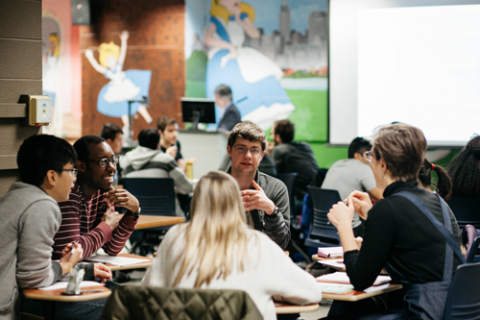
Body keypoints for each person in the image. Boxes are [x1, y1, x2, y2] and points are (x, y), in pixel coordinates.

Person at [326, 123, 463, 319]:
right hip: (448, 310)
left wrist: (344, 226)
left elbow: (359, 279)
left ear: (383, 165)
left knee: (343, 311)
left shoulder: (389, 208)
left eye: (371, 156)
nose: (369, 162)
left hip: (422, 313)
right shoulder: (436, 201)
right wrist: (372, 214)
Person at [142, 171, 322, 320]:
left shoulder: (175, 237)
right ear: (237, 203)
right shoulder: (257, 243)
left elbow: (146, 292)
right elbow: (311, 292)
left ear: (195, 202)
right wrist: (273, 290)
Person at [0, 134, 108, 320]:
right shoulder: (42, 205)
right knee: (120, 303)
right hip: (9, 307)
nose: (74, 178)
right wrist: (66, 264)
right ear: (52, 176)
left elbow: (27, 268)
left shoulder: (13, 198)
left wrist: (80, 267)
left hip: (16, 297)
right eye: (71, 171)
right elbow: (33, 278)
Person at [204, 0, 295, 130]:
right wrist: (229, 46)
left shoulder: (241, 16)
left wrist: (238, 18)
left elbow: (255, 34)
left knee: (259, 74)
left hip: (238, 55)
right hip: (223, 59)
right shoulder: (217, 20)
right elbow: (208, 39)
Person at [52, 135, 140, 259]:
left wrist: (133, 212)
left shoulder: (103, 193)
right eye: (103, 162)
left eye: (113, 160)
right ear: (81, 166)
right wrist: (106, 227)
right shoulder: (68, 194)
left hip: (78, 270)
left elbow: (112, 248)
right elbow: (70, 254)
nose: (112, 168)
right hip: (57, 273)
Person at [226, 122, 290, 249]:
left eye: (254, 150)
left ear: (261, 155)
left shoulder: (276, 188)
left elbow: (281, 244)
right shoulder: (211, 188)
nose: (248, 156)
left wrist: (271, 211)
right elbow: (194, 237)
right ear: (229, 150)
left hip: (261, 262)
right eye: (241, 148)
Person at [120, 128, 193, 216]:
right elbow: (188, 187)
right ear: (158, 145)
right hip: (167, 218)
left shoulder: (126, 161)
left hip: (135, 218)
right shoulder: (166, 161)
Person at [321, 137, 383, 236]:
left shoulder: (336, 164)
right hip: (351, 229)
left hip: (323, 226)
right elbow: (381, 197)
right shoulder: (362, 168)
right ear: (358, 156)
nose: (371, 160)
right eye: (368, 155)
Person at [269, 120, 319, 199]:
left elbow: (272, 175)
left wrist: (269, 155)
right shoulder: (306, 146)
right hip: (315, 195)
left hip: (298, 198)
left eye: (271, 134)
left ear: (277, 137)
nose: (271, 137)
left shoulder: (279, 150)